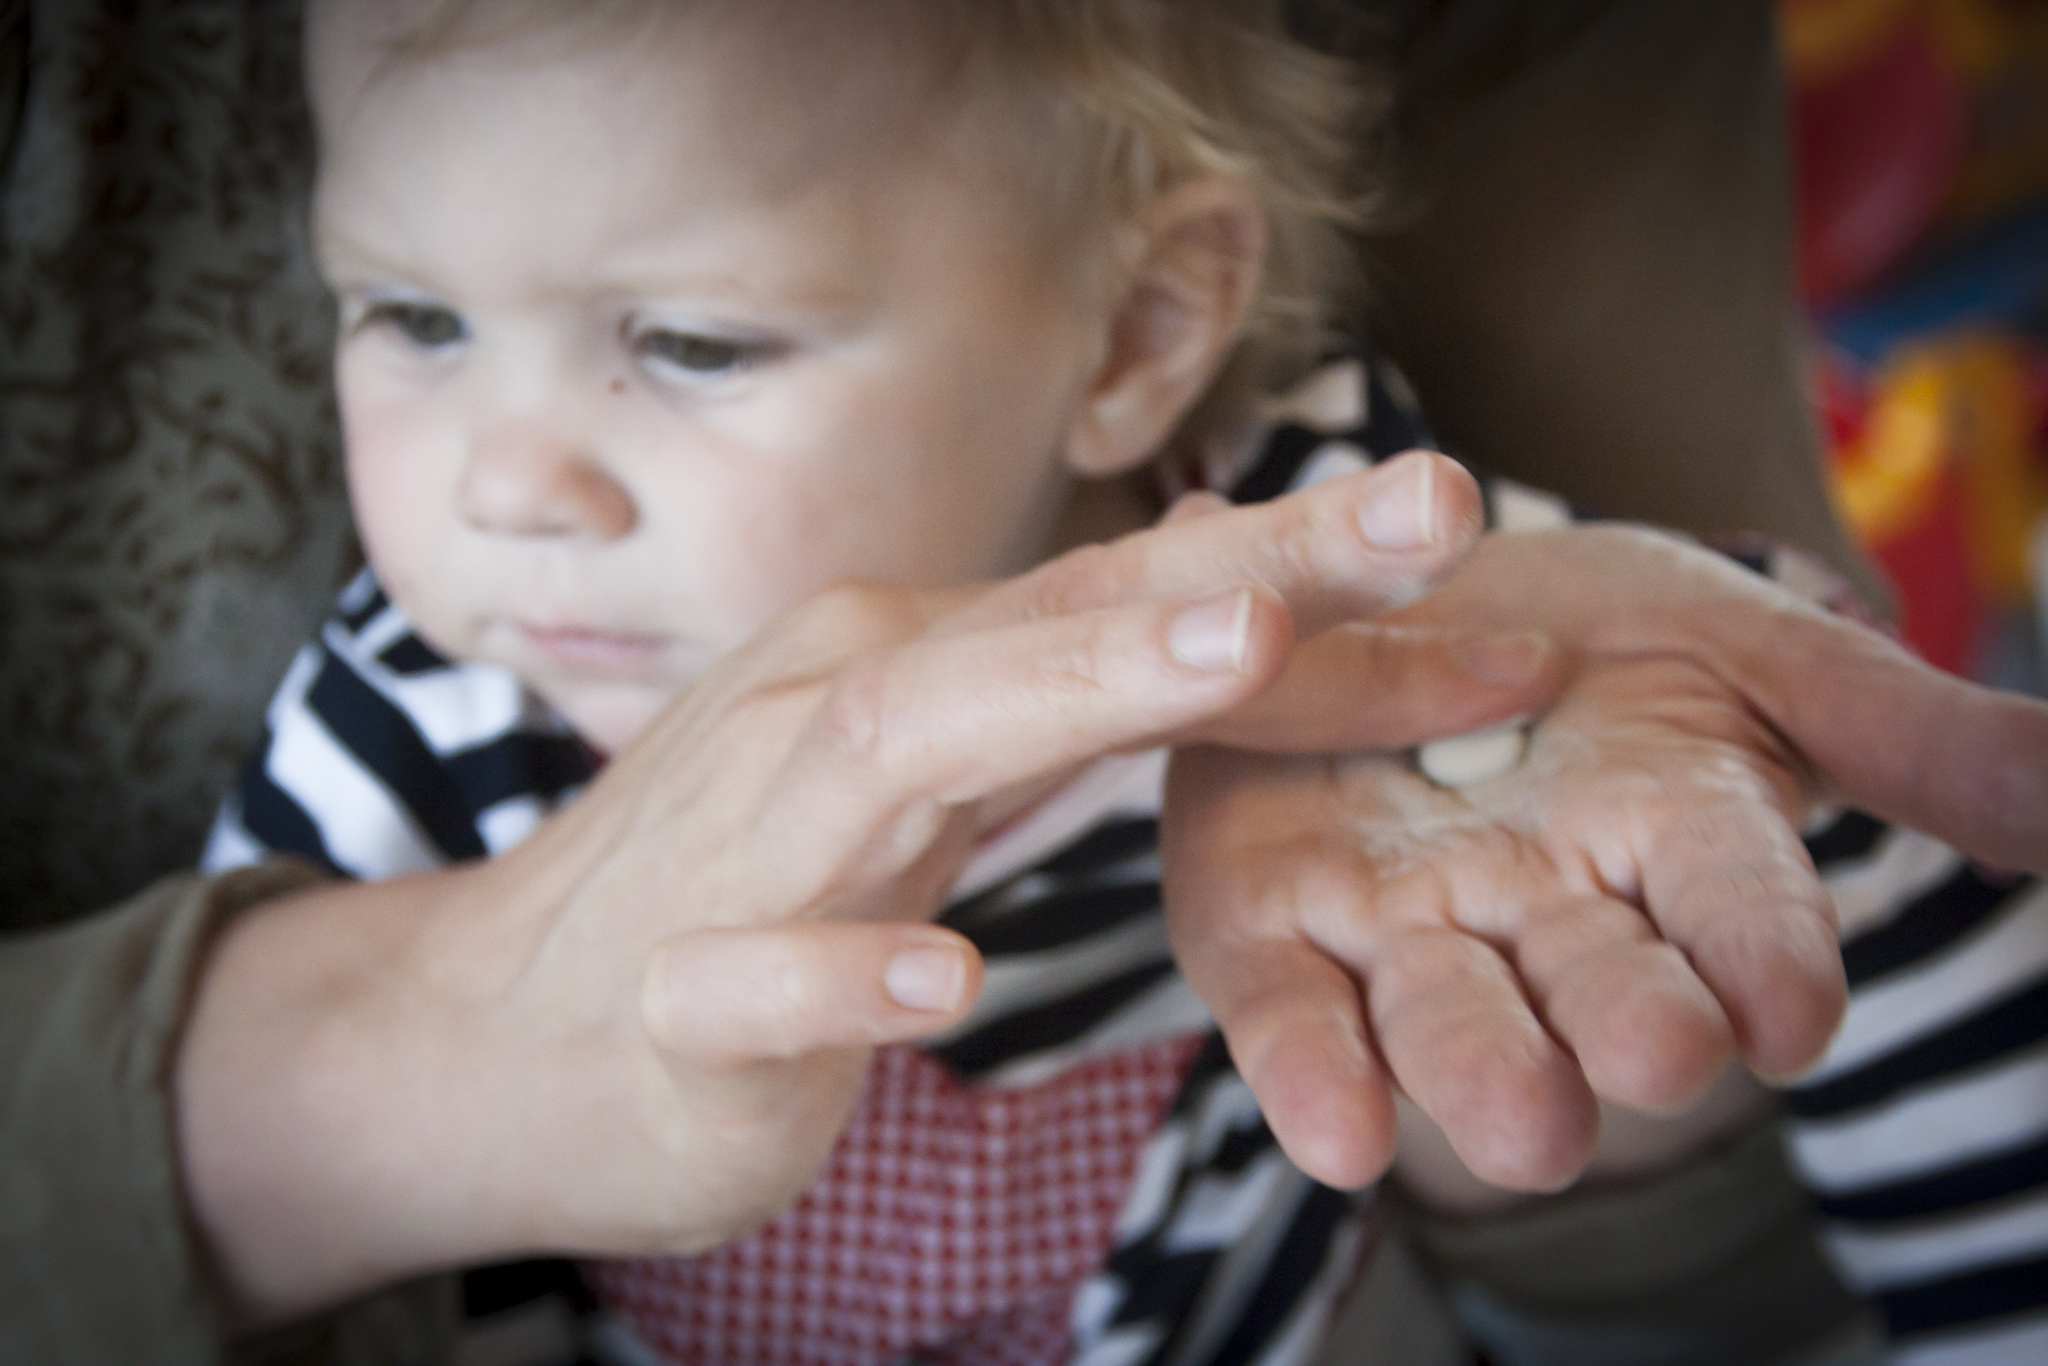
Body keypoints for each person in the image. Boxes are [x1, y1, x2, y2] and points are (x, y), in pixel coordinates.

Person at [181, 2, 2048, 1364]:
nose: (507, 484)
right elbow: (330, 1276)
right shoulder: (423, 727)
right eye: (411, 316)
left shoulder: (1318, 575)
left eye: (686, 341)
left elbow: (1826, 848)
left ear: (1139, 331)